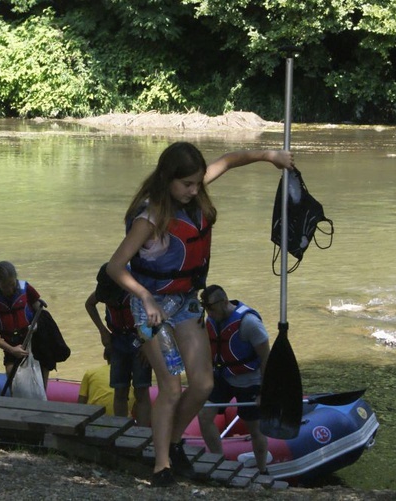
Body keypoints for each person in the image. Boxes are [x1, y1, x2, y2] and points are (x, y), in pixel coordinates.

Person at [106, 142, 293, 486]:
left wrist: (271, 157)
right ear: (168, 179)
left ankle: (174, 442)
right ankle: (162, 465)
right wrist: (145, 298)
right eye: (187, 185)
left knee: (204, 383)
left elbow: (232, 159)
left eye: (197, 183)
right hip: (150, 307)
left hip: (185, 301)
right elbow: (115, 267)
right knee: (171, 387)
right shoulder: (150, 217)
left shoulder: (195, 189)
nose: (195, 191)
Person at [197, 284, 270, 474]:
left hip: (250, 380)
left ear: (224, 302)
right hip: (223, 377)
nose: (209, 314)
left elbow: (266, 358)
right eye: (206, 309)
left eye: (211, 309)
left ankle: (262, 471)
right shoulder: (212, 320)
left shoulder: (249, 323)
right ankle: (219, 462)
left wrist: (265, 391)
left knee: (255, 428)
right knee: (205, 416)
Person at [85, 262, 151, 424]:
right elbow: (89, 304)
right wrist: (102, 331)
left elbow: (153, 316)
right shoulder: (106, 289)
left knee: (141, 390)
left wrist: (147, 343)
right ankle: (121, 432)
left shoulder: (138, 289)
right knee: (120, 390)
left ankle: (142, 434)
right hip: (117, 341)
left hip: (139, 339)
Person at [0, 261, 50, 388]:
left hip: (33, 342)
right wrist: (11, 349)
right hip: (10, 346)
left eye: (12, 284)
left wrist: (36, 325)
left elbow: (40, 312)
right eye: (5, 287)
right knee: (13, 381)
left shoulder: (26, 288)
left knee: (41, 382)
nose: (10, 290)